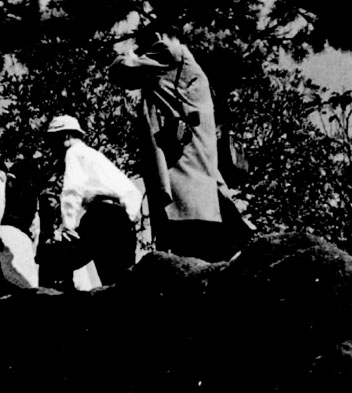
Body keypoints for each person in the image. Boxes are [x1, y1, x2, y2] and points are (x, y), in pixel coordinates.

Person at [109, 20, 252, 262]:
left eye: (145, 46)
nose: (145, 53)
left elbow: (119, 71)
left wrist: (132, 53)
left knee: (189, 263)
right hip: (202, 196)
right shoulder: (187, 70)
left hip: (186, 196)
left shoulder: (170, 52)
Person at [40, 115, 142, 290]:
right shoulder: (95, 156)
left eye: (53, 141)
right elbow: (133, 193)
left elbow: (72, 190)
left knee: (56, 259)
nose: (52, 148)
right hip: (121, 219)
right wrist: (127, 219)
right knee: (122, 283)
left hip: (101, 217)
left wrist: (67, 226)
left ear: (65, 136)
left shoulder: (73, 153)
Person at [0, 155, 39, 309]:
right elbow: (35, 226)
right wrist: (32, 249)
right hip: (25, 242)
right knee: (26, 289)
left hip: (5, 234)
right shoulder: (31, 191)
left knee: (1, 289)